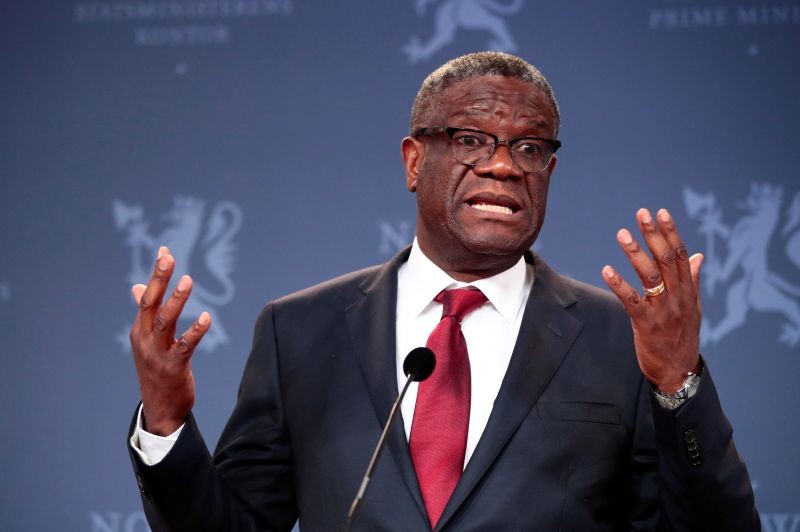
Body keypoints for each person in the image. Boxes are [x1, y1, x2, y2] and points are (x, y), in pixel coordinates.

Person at [127, 52, 759, 531]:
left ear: (549, 171)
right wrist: (165, 421)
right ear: (412, 161)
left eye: (529, 148)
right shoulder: (299, 333)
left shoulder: (619, 339)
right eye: (470, 140)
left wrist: (679, 384)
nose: (504, 165)